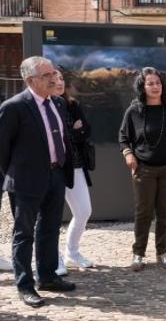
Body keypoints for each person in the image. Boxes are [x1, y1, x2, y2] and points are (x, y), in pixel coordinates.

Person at [0, 56, 76, 308]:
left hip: (55, 175)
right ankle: (25, 285)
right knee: (24, 233)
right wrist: (15, 175)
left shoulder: (58, 103)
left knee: (50, 229)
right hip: (25, 180)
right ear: (30, 79)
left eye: (53, 73)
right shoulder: (14, 107)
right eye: (46, 76)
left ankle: (48, 276)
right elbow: (3, 149)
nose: (54, 79)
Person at [119, 67, 166, 271]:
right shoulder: (134, 111)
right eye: (150, 83)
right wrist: (128, 155)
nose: (155, 86)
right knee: (143, 212)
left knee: (165, 212)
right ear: (143, 86)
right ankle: (138, 253)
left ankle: (163, 252)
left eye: (157, 82)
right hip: (144, 170)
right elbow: (123, 137)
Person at [53, 72, 94, 275]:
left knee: (84, 211)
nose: (59, 83)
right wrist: (75, 131)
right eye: (55, 79)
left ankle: (72, 252)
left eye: (62, 79)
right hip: (53, 168)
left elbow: (85, 129)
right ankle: (54, 258)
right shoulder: (45, 107)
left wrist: (76, 132)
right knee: (51, 216)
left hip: (76, 165)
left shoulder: (72, 105)